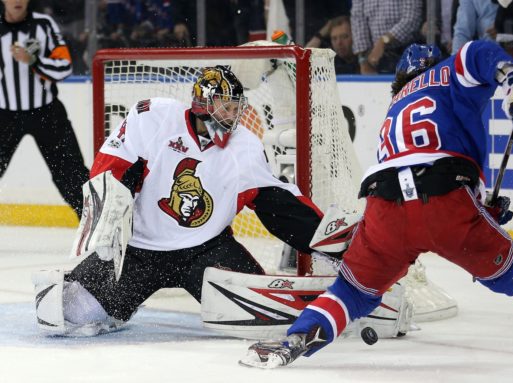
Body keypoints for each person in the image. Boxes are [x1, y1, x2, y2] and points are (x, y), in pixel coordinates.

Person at [240, 40, 513, 368]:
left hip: (384, 208)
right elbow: (477, 52)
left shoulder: (397, 102)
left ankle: (297, 339)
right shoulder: (447, 74)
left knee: (351, 292)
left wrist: (479, 211)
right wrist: (512, 76)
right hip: (445, 195)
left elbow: (414, 173)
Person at [32, 65, 330, 336]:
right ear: (203, 104)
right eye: (225, 107)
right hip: (139, 249)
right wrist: (108, 222)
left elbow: (280, 206)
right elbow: (111, 167)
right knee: (66, 314)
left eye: (236, 108)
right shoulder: (154, 117)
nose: (233, 116)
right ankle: (122, 298)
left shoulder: (246, 148)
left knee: (267, 316)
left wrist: (327, 238)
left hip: (207, 251)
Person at [0, 0, 89, 218]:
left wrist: (33, 60)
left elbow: (64, 67)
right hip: (4, 116)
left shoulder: (44, 24)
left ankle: (93, 225)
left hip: (46, 113)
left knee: (71, 174)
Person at [351, 0, 424, 75]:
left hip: (409, 53)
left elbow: (412, 18)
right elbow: (358, 19)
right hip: (376, 58)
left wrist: (383, 41)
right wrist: (363, 60)